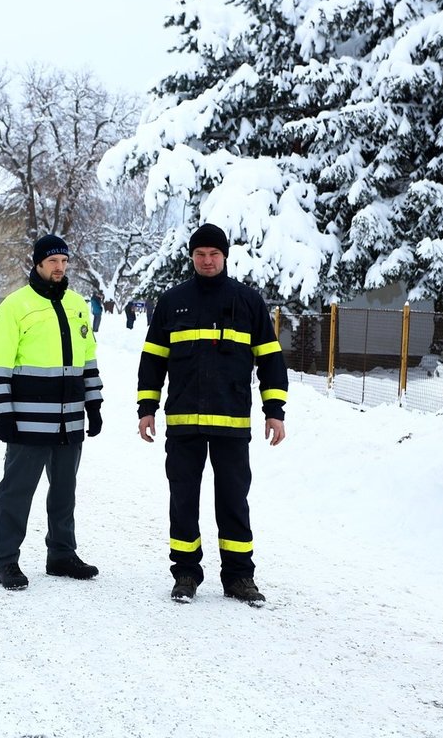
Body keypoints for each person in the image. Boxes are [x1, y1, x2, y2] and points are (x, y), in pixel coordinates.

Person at [136, 224, 287, 607]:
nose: (207, 260)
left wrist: (275, 411)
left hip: (232, 424)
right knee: (183, 499)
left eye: (214, 254)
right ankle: (185, 573)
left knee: (234, 501)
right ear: (192, 257)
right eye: (200, 254)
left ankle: (239, 577)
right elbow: (153, 360)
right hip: (184, 423)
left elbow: (270, 359)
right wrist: (146, 408)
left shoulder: (248, 302)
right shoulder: (172, 302)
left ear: (225, 257)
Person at [0, 235, 103, 590]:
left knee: (64, 490)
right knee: (16, 492)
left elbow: (88, 359)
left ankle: (61, 555)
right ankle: (7, 561)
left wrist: (94, 403)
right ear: (37, 263)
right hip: (27, 420)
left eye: (64, 262)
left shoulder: (77, 304)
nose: (59, 268)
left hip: (70, 421)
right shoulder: (16, 306)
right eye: (53, 261)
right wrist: (3, 413)